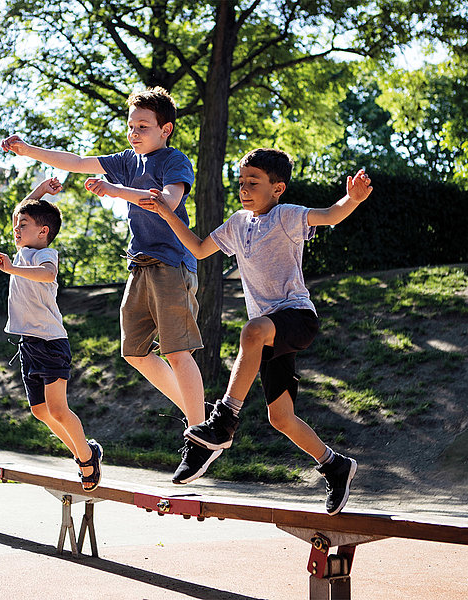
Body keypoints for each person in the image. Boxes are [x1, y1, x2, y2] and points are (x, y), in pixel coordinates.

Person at [138, 148, 373, 515]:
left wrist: (353, 199)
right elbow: (198, 249)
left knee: (252, 330)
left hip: (296, 318)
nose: (244, 189)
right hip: (268, 333)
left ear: (277, 188)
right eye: (241, 182)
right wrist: (167, 213)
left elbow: (330, 215)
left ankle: (222, 422)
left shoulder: (286, 215)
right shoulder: (237, 223)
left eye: (253, 183)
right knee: (281, 418)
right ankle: (335, 464)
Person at [1, 87, 216, 485]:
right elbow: (76, 161)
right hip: (139, 266)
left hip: (172, 263)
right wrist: (29, 150)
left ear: (165, 129)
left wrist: (117, 191)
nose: (134, 133)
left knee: (175, 350)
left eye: (143, 127)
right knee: (135, 352)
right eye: (131, 126)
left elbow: (167, 201)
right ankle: (201, 416)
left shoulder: (174, 161)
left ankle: (201, 435)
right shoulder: (125, 160)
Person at [0, 177, 103, 492]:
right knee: (40, 411)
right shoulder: (23, 248)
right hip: (29, 343)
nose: (16, 228)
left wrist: (11, 269)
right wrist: (41, 190)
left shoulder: (45, 255)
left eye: (23, 225)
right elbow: (20, 210)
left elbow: (47, 275)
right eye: (17, 225)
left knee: (57, 409)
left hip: (51, 342)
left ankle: (87, 459)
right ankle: (85, 451)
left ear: (43, 232)